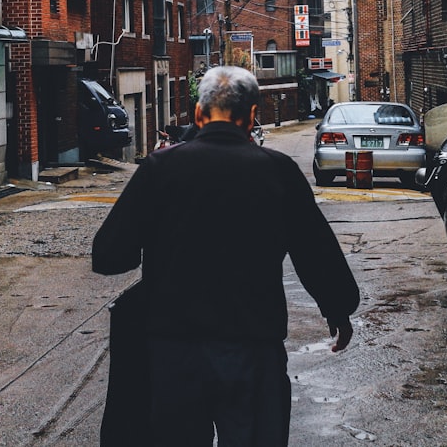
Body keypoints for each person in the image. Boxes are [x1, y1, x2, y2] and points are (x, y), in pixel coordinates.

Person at [93, 66, 360, 447]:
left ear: (198, 116)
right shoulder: (277, 171)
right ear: (252, 116)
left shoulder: (159, 170)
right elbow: (314, 250)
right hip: (254, 349)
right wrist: (338, 309)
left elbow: (108, 256)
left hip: (175, 353)